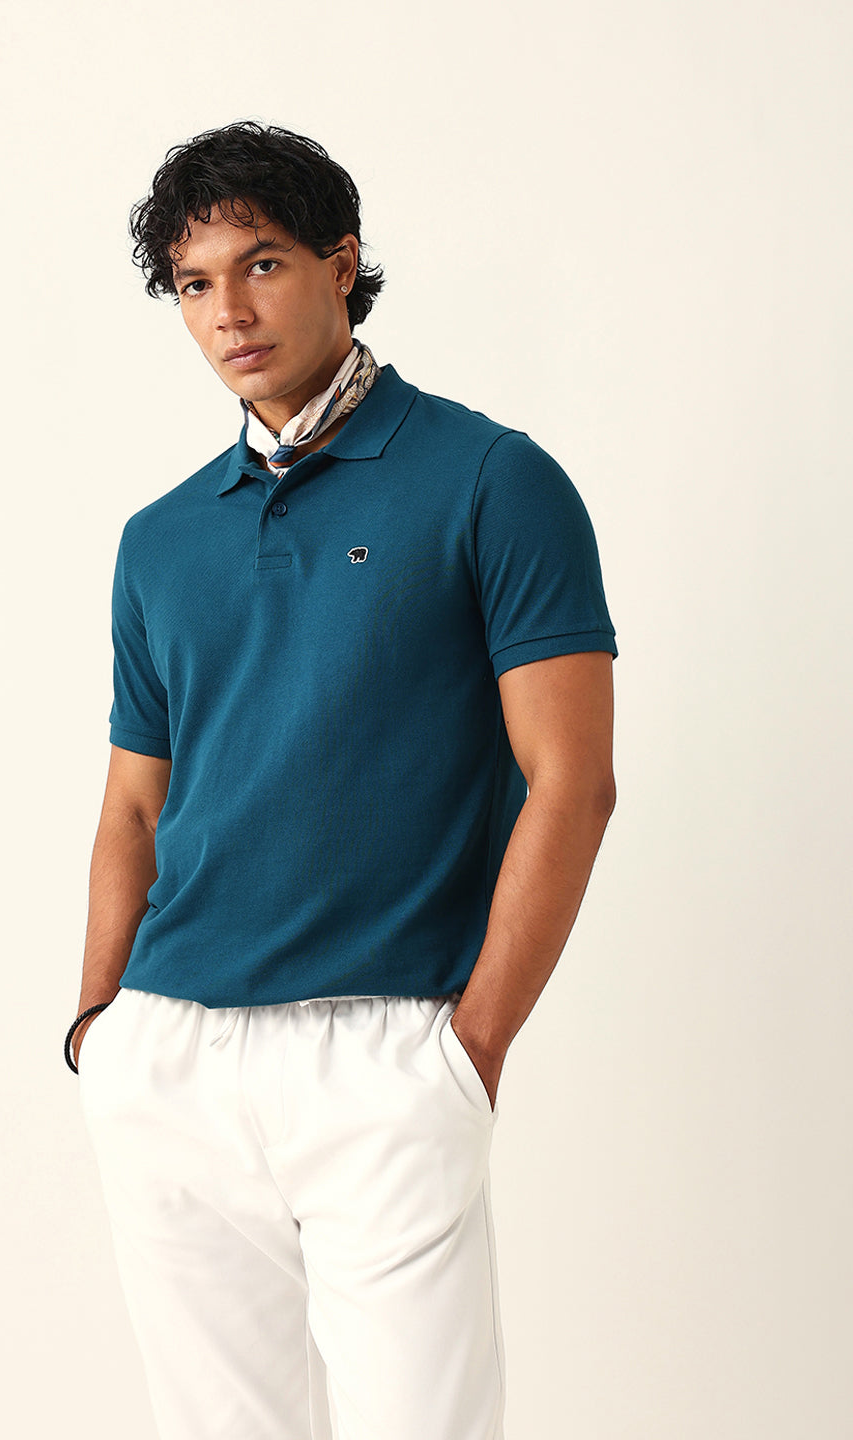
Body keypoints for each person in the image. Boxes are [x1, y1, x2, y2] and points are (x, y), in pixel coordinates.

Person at [69, 120, 617, 1440]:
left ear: (340, 261)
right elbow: (135, 804)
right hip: (171, 1057)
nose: (229, 311)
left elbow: (573, 781)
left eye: (260, 264)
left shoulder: (492, 480)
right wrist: (101, 1027)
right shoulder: (159, 539)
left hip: (387, 1050)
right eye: (195, 283)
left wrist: (471, 1050)